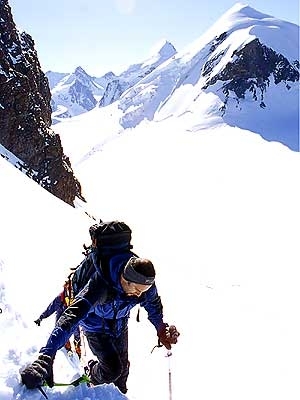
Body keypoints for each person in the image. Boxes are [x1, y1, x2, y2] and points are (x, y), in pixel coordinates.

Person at [20, 255, 179, 394]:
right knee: (112, 369)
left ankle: (118, 394)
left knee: (122, 371)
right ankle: (91, 374)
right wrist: (46, 356)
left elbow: (153, 306)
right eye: (137, 290)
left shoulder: (143, 285)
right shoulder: (99, 286)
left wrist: (161, 329)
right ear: (125, 279)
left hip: (120, 323)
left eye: (144, 290)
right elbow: (71, 317)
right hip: (95, 326)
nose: (140, 294)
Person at [34, 290, 82, 359]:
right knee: (62, 331)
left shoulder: (74, 299)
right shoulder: (60, 299)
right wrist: (41, 317)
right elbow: (50, 309)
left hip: (71, 316)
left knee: (75, 330)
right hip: (61, 319)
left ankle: (77, 346)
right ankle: (68, 346)